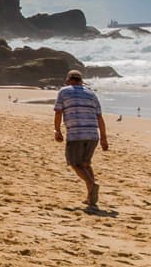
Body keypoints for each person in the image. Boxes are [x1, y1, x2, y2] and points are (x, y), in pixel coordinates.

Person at [54, 69, 108, 208]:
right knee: (85, 164)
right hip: (92, 134)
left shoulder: (64, 91)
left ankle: (91, 184)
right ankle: (90, 197)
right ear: (81, 80)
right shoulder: (91, 93)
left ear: (68, 79)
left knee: (74, 163)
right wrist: (103, 138)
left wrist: (57, 130)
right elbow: (100, 117)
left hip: (76, 133)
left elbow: (59, 111)